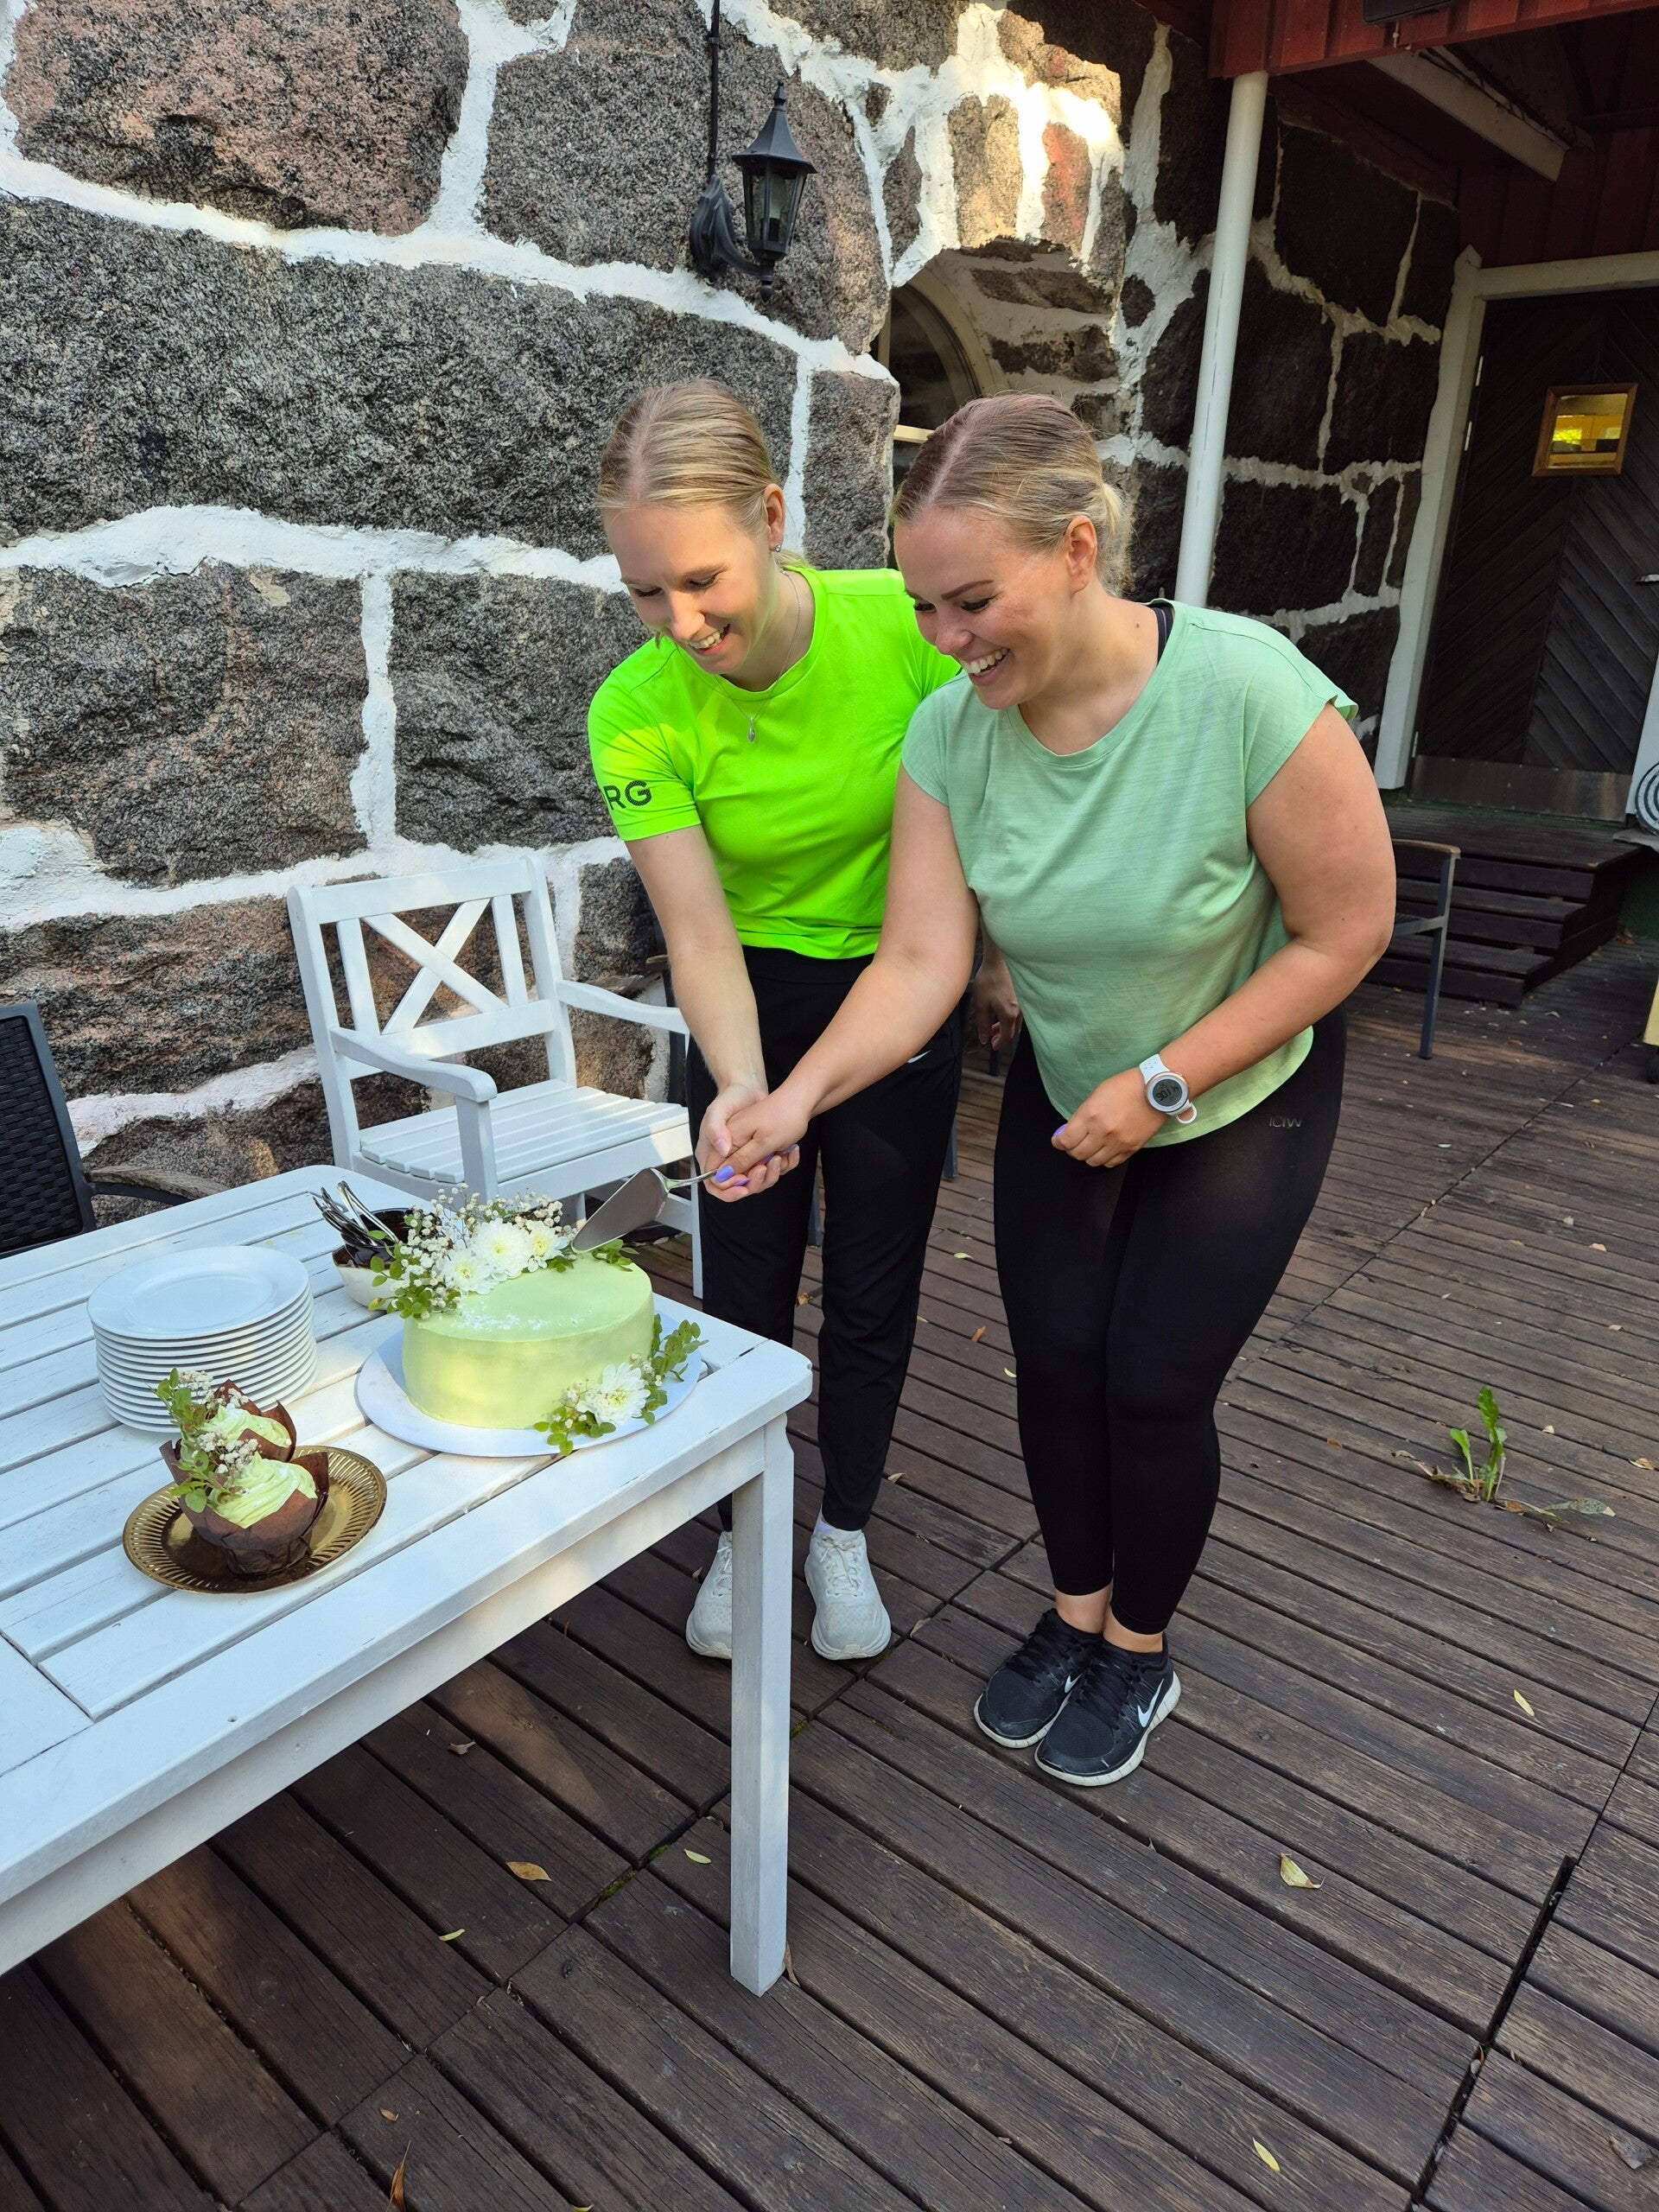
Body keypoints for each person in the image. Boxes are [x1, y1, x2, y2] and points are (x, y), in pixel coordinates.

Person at [717, 393, 1397, 1786]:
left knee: (1151, 1383)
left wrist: (1167, 1080)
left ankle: (1138, 1646)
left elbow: (1348, 932)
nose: (946, 638)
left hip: (1237, 1088)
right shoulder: (950, 738)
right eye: (923, 605)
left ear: (1079, 550)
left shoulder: (1248, 693)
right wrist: (792, 1100)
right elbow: (920, 962)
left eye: (974, 602)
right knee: (1055, 1366)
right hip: (1072, 1081)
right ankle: (1074, 1610)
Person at [588, 379, 963, 1664]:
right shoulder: (634, 709)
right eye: (645, 591)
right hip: (744, 1000)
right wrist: (743, 1093)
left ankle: (842, 1528)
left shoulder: (902, 632)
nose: (680, 623)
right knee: (741, 1286)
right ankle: (742, 1527)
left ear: (771, 516)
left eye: (702, 580)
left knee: (871, 1285)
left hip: (899, 993)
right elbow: (698, 935)